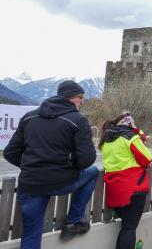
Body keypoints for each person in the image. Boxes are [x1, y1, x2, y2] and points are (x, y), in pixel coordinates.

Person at [4, 80, 98, 248]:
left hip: (31, 184)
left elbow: (10, 153)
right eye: (79, 97)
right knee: (92, 171)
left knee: (31, 237)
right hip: (62, 182)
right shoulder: (78, 120)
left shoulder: (29, 117)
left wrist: (32, 167)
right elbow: (86, 160)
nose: (82, 101)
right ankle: (73, 221)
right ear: (69, 98)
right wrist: (66, 166)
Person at [99, 113, 152, 249]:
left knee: (126, 226)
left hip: (115, 189)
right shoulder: (130, 137)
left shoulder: (106, 139)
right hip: (133, 187)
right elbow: (147, 158)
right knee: (129, 228)